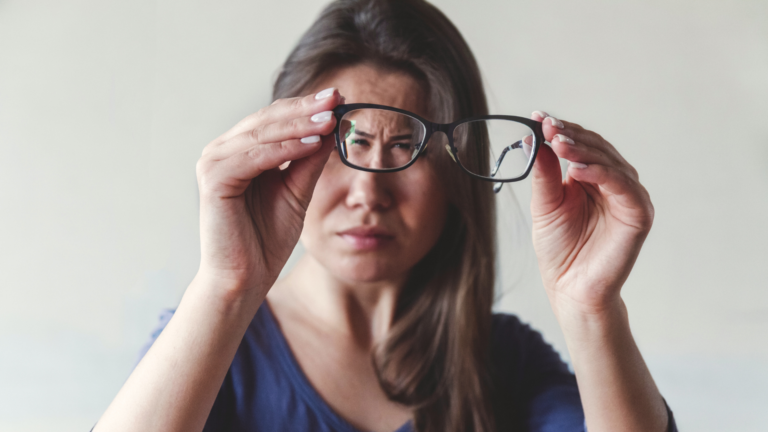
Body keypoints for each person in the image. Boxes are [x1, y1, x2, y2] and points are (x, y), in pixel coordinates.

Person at [94, 0, 677, 431]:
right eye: (347, 141)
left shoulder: (503, 363)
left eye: (406, 147)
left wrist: (593, 308)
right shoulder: (215, 344)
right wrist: (226, 286)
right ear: (282, 152)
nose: (369, 193)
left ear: (458, 174)